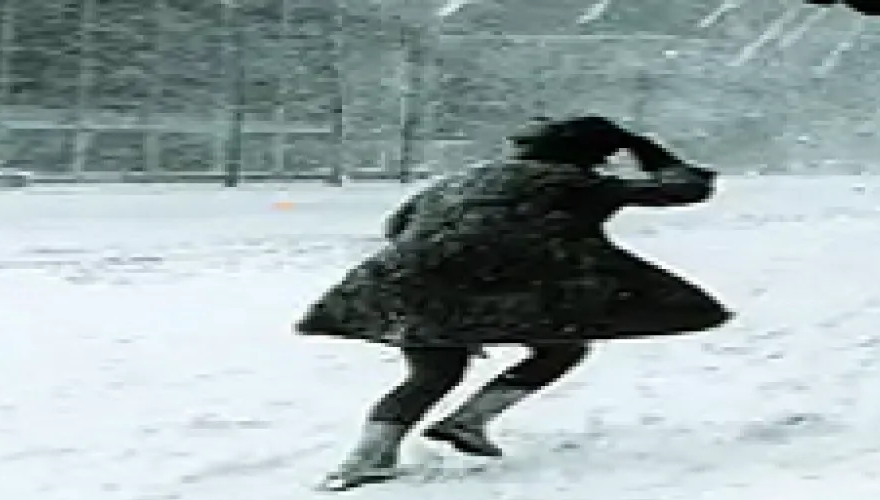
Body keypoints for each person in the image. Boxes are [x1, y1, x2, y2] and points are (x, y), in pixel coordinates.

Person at [295, 115, 733, 491]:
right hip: (493, 283)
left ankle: (368, 458)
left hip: (410, 280)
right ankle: (468, 421)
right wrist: (642, 147)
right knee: (562, 347)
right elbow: (686, 189)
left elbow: (396, 225)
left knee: (433, 371)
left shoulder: (462, 179)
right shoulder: (578, 183)